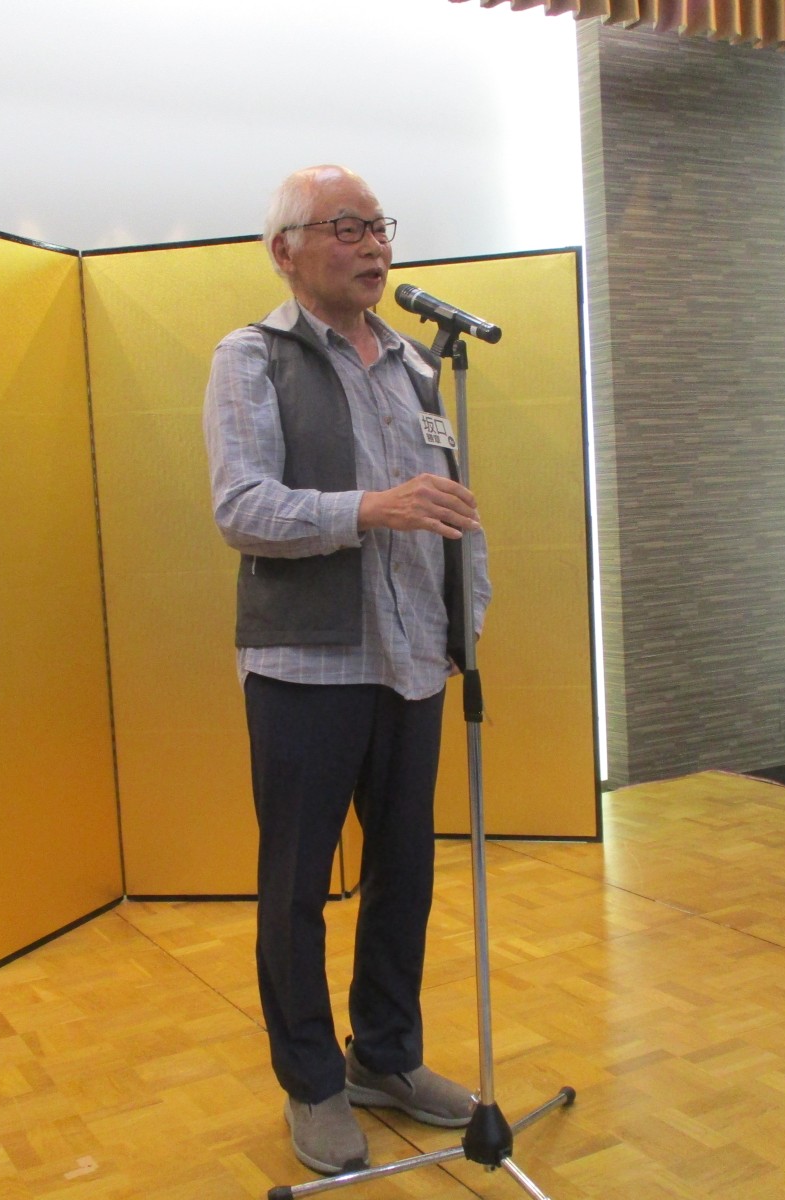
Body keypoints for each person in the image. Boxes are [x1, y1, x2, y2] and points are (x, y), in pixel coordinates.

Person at [202, 164, 490, 1176]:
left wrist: (465, 625)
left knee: (403, 874)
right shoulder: (252, 358)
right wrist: (369, 508)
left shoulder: (418, 368)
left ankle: (386, 1057)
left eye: (379, 227)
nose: (375, 246)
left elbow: (452, 509)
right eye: (347, 228)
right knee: (295, 888)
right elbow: (241, 507)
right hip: (305, 667)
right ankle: (313, 1084)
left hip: (412, 662)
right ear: (285, 250)